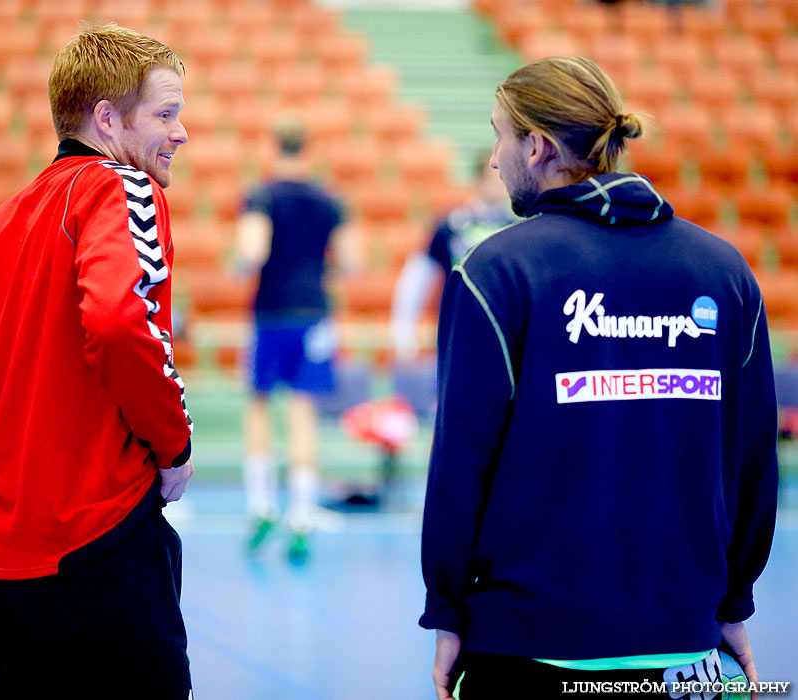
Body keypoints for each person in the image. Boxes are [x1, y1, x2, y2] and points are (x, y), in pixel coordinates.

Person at [420, 56, 778, 700]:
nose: (495, 160)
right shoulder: (724, 272)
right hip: (684, 649)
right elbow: (753, 459)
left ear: (536, 146)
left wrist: (446, 612)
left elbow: (461, 462)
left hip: (528, 649)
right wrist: (733, 601)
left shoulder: (498, 271)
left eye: (500, 136)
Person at [0, 24, 195, 699]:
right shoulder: (120, 188)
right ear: (107, 118)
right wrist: (173, 445)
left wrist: (30, 451)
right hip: (100, 558)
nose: (181, 133)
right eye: (166, 113)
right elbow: (116, 319)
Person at [235, 117, 357, 564]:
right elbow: (351, 259)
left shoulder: (261, 195)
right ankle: (302, 514)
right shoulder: (330, 200)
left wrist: (239, 265)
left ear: (274, 149)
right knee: (303, 410)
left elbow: (253, 253)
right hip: (315, 314)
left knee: (259, 404)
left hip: (271, 313)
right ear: (308, 150)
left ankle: (262, 504)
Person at [390, 151, 516, 363]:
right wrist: (403, 332)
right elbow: (417, 279)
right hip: (456, 328)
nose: (499, 184)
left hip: (502, 330)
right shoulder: (450, 226)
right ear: (479, 179)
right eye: (494, 177)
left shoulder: (514, 229)